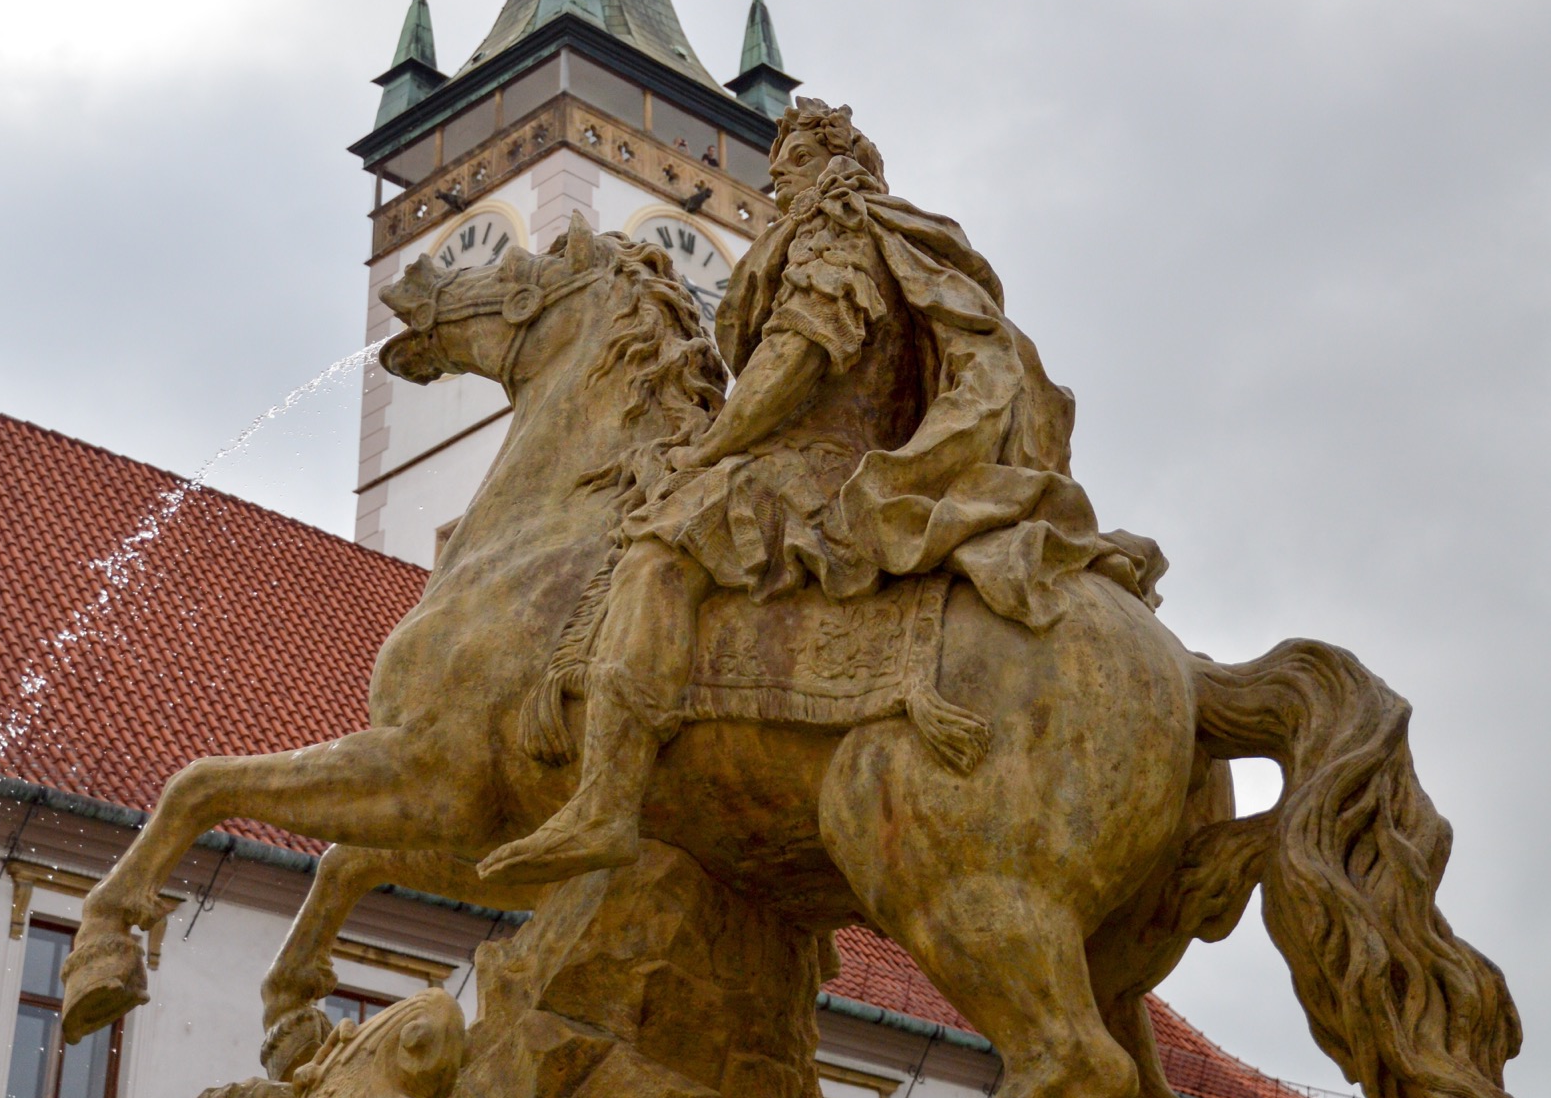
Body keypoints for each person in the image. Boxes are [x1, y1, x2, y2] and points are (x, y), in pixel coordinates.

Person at [476, 98, 1163, 891]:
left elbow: (796, 358)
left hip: (809, 464)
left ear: (833, 163)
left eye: (788, 169)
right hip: (837, 454)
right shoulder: (900, 240)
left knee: (658, 556)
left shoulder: (834, 226)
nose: (779, 188)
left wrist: (713, 445)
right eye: (774, 176)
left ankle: (604, 801)